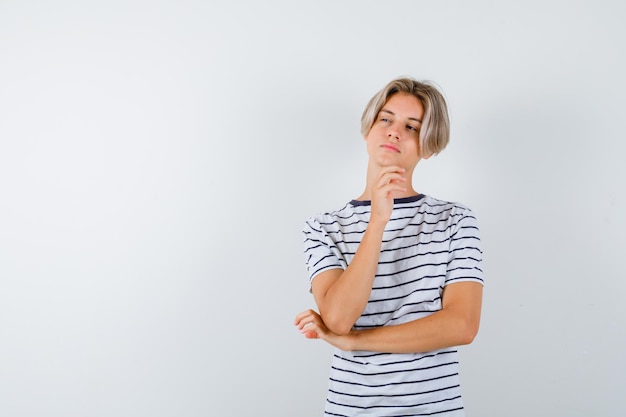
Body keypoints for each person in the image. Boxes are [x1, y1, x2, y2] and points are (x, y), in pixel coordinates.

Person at [293, 76, 484, 416]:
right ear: (368, 129)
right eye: (386, 119)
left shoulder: (455, 220)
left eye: (412, 126)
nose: (395, 131)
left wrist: (356, 341)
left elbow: (462, 326)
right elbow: (337, 320)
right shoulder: (323, 228)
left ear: (428, 144)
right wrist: (377, 221)